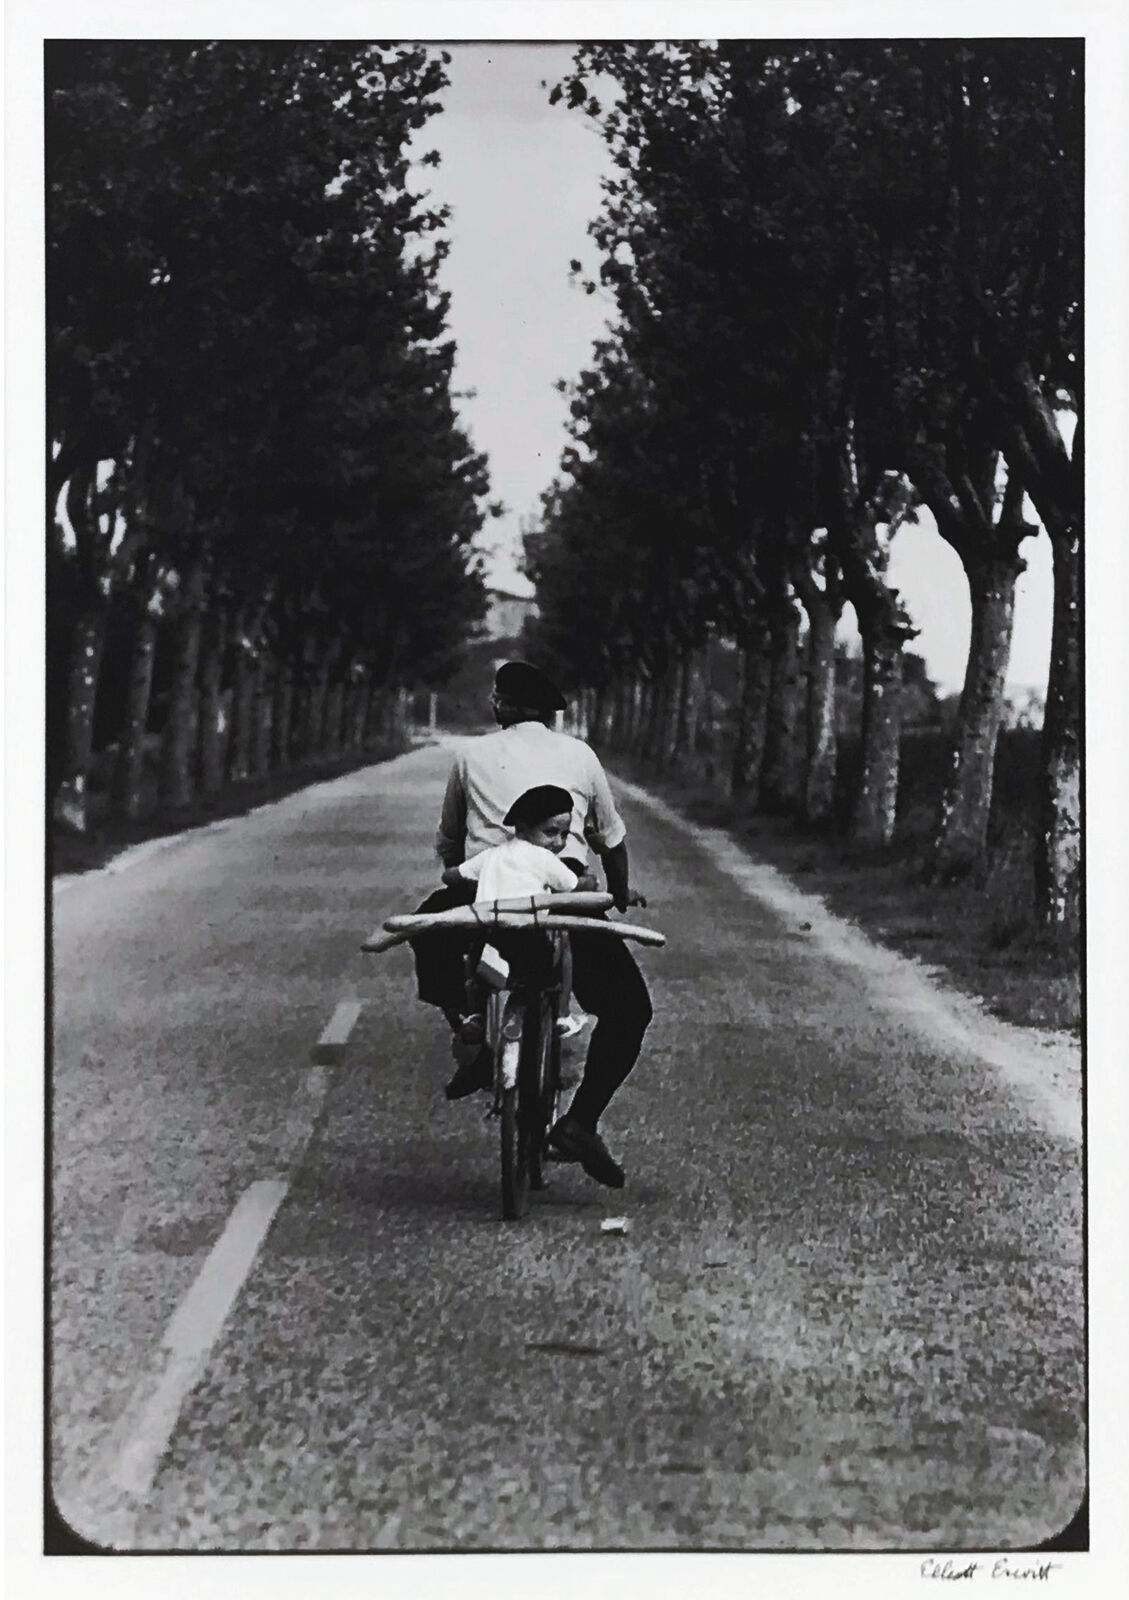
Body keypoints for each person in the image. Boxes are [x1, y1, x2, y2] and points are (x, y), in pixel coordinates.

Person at [412, 660, 653, 1189]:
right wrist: (610, 899)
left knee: (429, 936)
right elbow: (611, 838)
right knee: (630, 1010)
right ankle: (580, 1123)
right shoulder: (580, 756)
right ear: (549, 712)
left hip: (487, 898)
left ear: (501, 705)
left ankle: (470, 1027)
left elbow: (450, 840)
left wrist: (466, 872)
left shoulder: (470, 756)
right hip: (561, 902)